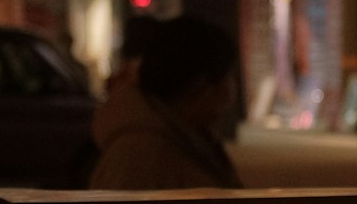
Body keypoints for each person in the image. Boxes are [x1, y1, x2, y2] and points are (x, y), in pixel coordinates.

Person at [87, 13, 243, 190]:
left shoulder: (179, 136)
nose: (232, 93)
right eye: (229, 77)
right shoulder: (143, 156)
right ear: (200, 85)